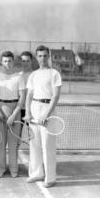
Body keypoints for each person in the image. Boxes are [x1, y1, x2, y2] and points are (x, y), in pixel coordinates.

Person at [24, 45, 62, 188]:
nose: (43, 58)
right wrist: (28, 113)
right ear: (37, 57)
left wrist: (47, 113)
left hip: (48, 110)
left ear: (49, 56)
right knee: (34, 144)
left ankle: (50, 178)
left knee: (48, 145)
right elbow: (29, 95)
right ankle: (36, 173)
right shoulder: (33, 75)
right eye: (40, 56)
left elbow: (56, 96)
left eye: (45, 55)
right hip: (34, 109)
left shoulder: (54, 73)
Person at [0, 51, 26, 178]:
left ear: (13, 61)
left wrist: (14, 115)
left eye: (10, 61)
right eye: (5, 61)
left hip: (15, 110)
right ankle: (0, 169)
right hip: (0, 109)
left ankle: (14, 170)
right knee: (0, 143)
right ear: (1, 61)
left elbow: (22, 98)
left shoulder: (19, 77)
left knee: (13, 144)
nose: (7, 63)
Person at [19, 51, 34, 120]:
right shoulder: (17, 75)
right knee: (17, 130)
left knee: (32, 130)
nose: (25, 63)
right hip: (19, 109)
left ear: (31, 61)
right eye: (23, 61)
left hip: (32, 109)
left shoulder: (35, 75)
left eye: (28, 61)